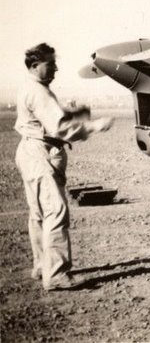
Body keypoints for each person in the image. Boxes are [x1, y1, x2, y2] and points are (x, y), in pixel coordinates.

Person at [15, 43, 114, 291]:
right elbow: (59, 129)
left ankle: (42, 265)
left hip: (30, 150)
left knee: (38, 213)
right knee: (55, 211)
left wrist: (70, 112)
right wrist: (94, 126)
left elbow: (47, 118)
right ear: (36, 65)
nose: (56, 68)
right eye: (51, 63)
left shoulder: (31, 87)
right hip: (41, 153)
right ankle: (57, 275)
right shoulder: (40, 92)